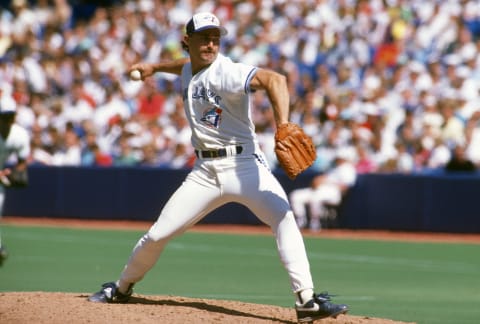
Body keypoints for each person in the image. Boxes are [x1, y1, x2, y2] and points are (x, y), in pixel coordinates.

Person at [87, 12, 348, 322]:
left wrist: (285, 124)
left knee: (284, 218)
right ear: (187, 42)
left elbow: (275, 80)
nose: (211, 43)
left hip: (244, 166)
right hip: (204, 173)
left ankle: (306, 300)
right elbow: (183, 68)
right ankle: (121, 288)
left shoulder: (227, 72)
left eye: (216, 38)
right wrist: (154, 67)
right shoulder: (189, 69)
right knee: (157, 236)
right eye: (204, 37)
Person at [289, 148, 357, 231]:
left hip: (334, 193)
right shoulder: (333, 167)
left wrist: (326, 182)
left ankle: (315, 222)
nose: (337, 159)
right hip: (319, 190)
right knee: (296, 195)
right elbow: (320, 180)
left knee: (315, 198)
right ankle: (301, 220)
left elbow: (345, 187)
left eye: (339, 158)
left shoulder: (348, 168)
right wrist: (318, 182)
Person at [0, 90, 31, 266]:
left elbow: (22, 162)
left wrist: (13, 173)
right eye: (4, 116)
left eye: (11, 116)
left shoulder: (19, 135)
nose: (8, 120)